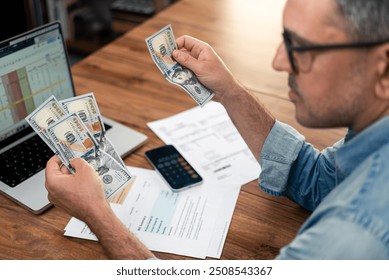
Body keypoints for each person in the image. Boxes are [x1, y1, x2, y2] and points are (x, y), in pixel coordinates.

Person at [45, 0, 389, 259]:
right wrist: (229, 91)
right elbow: (321, 181)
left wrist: (96, 213)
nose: (278, 61)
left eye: (302, 48)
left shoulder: (355, 233)